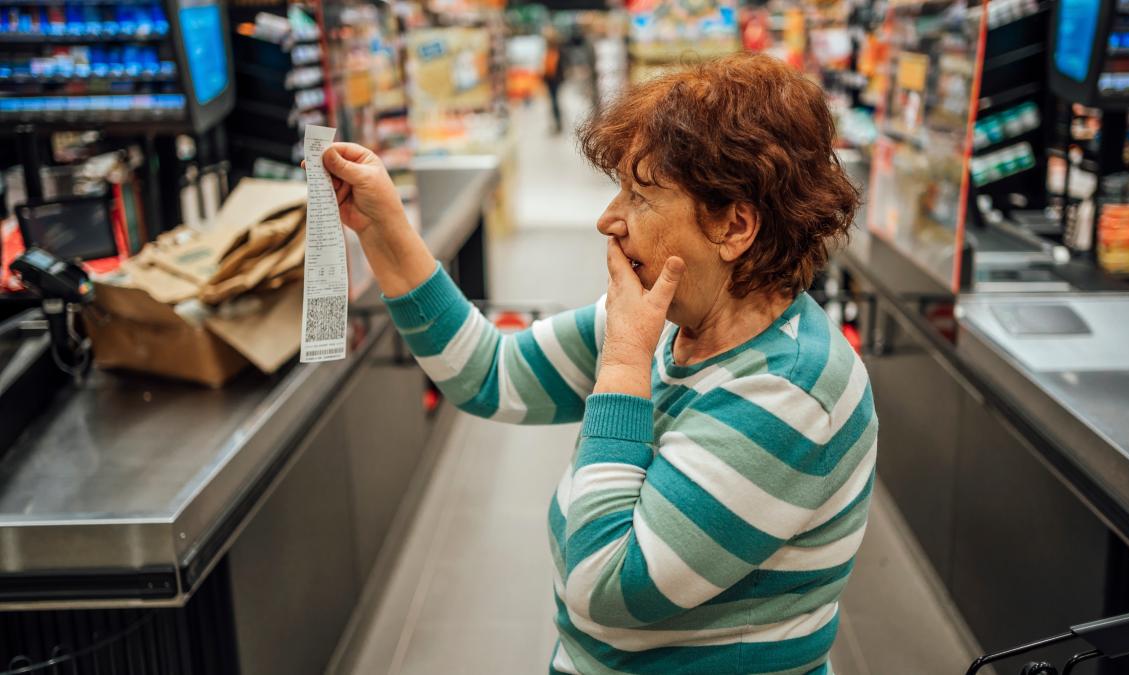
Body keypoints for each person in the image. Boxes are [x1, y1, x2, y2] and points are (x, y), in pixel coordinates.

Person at [317, 52, 874, 675]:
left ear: (734, 226)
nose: (608, 219)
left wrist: (624, 366)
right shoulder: (671, 320)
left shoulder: (787, 393)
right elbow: (489, 373)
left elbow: (606, 586)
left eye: (640, 196)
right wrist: (383, 226)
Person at [543, 25, 565, 134]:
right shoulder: (549, 50)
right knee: (553, 102)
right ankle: (556, 123)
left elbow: (558, 67)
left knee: (555, 102)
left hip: (554, 80)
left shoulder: (557, 50)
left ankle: (558, 123)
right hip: (550, 79)